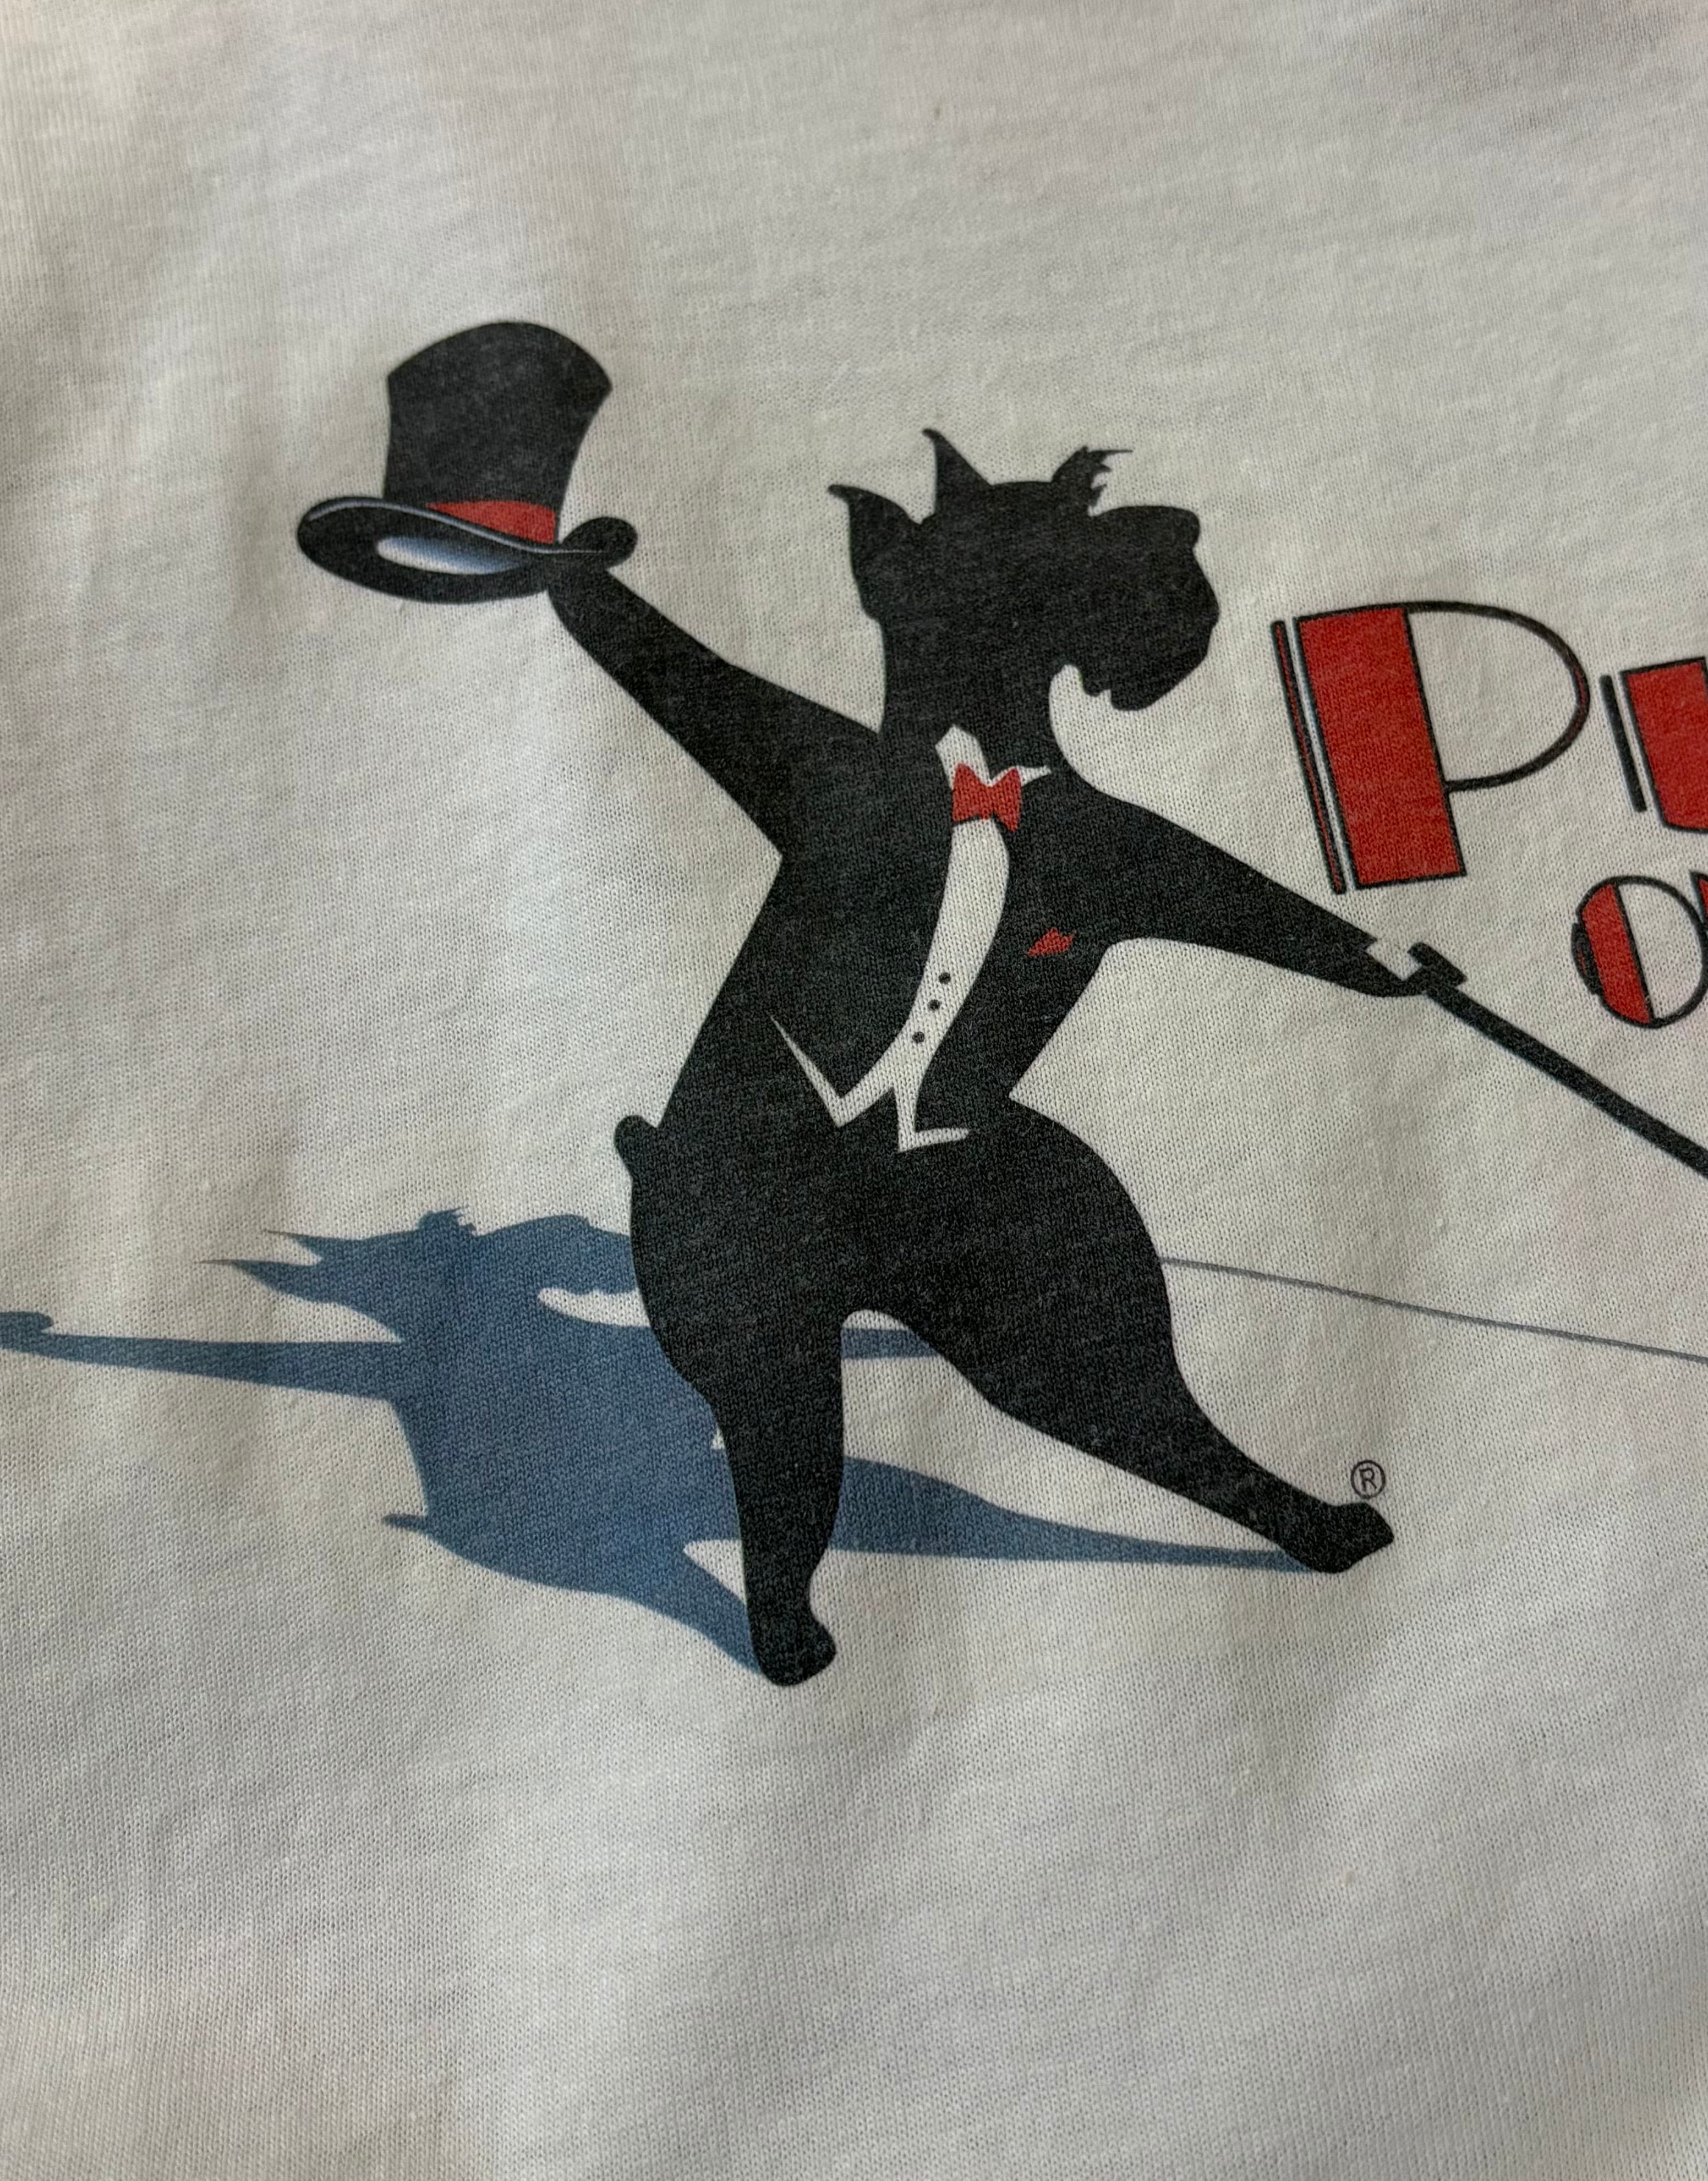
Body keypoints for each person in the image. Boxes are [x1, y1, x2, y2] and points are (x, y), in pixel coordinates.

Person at [547, 424, 1455, 1683]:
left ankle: (1277, 1512)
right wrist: (573, 582)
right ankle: (779, 1596)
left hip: (948, 1164)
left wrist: (1371, 959)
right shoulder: (838, 780)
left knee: (1094, 1335)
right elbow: (680, 678)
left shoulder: (1099, 845)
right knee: (779, 1401)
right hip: (747, 1169)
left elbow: (1247, 909)